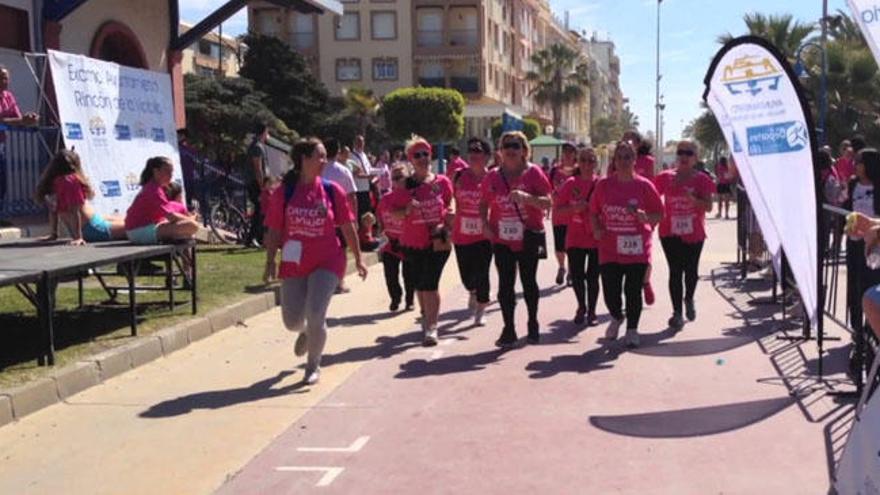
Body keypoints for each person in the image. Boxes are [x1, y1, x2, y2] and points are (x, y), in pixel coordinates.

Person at [263, 137, 367, 385]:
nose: (324, 161)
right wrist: (269, 260)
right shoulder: (284, 192)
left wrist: (359, 258)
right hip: (294, 261)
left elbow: (347, 225)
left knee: (316, 312)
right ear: (303, 160)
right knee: (292, 320)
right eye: (319, 156)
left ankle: (312, 365)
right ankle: (305, 332)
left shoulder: (332, 191)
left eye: (324, 156)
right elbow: (275, 229)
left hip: (328, 260)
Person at [480, 131, 552, 347]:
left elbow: (548, 203)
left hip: (528, 237)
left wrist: (527, 198)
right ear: (500, 151)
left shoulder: (534, 174)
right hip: (502, 239)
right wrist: (484, 224)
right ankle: (509, 328)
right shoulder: (492, 176)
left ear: (524, 151)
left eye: (515, 146)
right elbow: (483, 203)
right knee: (505, 285)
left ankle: (532, 323)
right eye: (506, 146)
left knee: (529, 282)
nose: (511, 150)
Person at [590, 141, 663, 347]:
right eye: (620, 157)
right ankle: (616, 316)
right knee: (611, 292)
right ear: (614, 161)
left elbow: (659, 214)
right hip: (609, 248)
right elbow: (594, 212)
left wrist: (645, 217)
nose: (623, 161)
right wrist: (596, 228)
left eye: (628, 157)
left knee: (633, 291)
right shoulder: (604, 185)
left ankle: (632, 329)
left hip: (636, 248)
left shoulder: (644, 186)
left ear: (635, 160)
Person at [389, 136, 454, 346]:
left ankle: (432, 328)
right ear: (411, 159)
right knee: (419, 284)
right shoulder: (404, 186)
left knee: (430, 283)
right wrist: (407, 209)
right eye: (417, 155)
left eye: (425, 153)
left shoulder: (442, 182)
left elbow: (450, 205)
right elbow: (394, 213)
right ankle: (426, 316)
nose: (423, 158)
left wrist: (448, 221)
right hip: (412, 242)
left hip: (438, 241)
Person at [654, 140, 715, 330]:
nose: (684, 156)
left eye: (688, 153)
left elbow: (709, 206)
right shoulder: (665, 177)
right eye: (680, 152)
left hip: (694, 232)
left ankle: (688, 298)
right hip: (669, 231)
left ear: (695, 158)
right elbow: (651, 198)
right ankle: (677, 313)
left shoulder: (702, 180)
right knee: (675, 271)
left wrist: (693, 199)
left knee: (691, 271)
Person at [34, 149, 126, 244]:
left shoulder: (51, 182)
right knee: (136, 225)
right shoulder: (70, 181)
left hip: (93, 223)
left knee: (125, 218)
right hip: (93, 228)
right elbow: (74, 211)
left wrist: (53, 234)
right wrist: (78, 237)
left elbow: (53, 211)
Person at [556, 146, 601, 325]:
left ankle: (592, 311)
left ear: (596, 163)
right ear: (578, 163)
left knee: (593, 277)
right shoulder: (571, 183)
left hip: (596, 237)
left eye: (591, 160)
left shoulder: (601, 183)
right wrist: (574, 208)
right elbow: (558, 209)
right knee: (577, 276)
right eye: (583, 160)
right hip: (575, 238)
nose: (587, 164)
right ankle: (581, 306)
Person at [452, 137, 493, 326]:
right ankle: (472, 292)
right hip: (461, 235)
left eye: (478, 152)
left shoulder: (492, 178)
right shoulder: (459, 176)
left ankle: (481, 309)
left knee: (482, 272)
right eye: (471, 152)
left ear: (486, 157)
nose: (474, 155)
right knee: (467, 276)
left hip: (484, 235)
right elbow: (451, 200)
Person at [125, 157, 199, 244]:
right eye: (167, 171)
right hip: (139, 231)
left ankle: (179, 239)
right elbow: (171, 216)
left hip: (141, 229)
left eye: (171, 172)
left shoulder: (154, 187)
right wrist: (190, 219)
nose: (171, 175)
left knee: (187, 230)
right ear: (156, 171)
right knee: (192, 225)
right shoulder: (153, 189)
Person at [1, 65, 38, 221]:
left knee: (2, 182)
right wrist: (20, 121)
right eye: (2, 78)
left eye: (7, 78)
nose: (6, 81)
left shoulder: (8, 96)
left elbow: (18, 118)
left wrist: (29, 119)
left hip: (1, 144)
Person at [321, 138, 358, 293]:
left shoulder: (318, 169)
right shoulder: (343, 171)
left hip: (320, 216)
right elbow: (351, 196)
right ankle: (339, 281)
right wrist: (353, 217)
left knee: (323, 248)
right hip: (340, 217)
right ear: (337, 151)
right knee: (341, 250)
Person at [378, 163, 416, 311]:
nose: (396, 181)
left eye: (400, 177)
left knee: (409, 274)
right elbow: (382, 217)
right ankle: (395, 298)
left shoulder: (414, 196)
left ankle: (409, 300)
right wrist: (381, 234)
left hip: (408, 242)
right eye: (393, 178)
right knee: (390, 275)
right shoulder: (386, 198)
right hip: (390, 243)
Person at [549, 141, 577, 286]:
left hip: (574, 216)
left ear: (575, 154)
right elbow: (548, 188)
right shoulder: (555, 171)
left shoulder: (578, 171)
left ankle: (572, 271)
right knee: (559, 246)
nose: (567, 153)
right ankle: (561, 267)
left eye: (570, 151)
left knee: (572, 245)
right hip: (558, 215)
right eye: (565, 150)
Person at [245, 123, 270, 246]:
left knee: (261, 210)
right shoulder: (257, 147)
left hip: (258, 182)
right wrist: (261, 185)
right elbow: (257, 167)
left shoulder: (260, 146)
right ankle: (252, 237)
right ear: (264, 132)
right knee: (259, 210)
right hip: (255, 183)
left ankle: (256, 237)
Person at [350, 135, 376, 217]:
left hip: (366, 188)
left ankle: (367, 229)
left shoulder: (364, 155)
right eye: (358, 142)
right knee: (360, 213)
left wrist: (378, 172)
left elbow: (368, 169)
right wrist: (368, 177)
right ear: (354, 143)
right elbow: (355, 174)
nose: (360, 144)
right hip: (358, 189)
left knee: (367, 212)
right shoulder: (352, 156)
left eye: (362, 142)